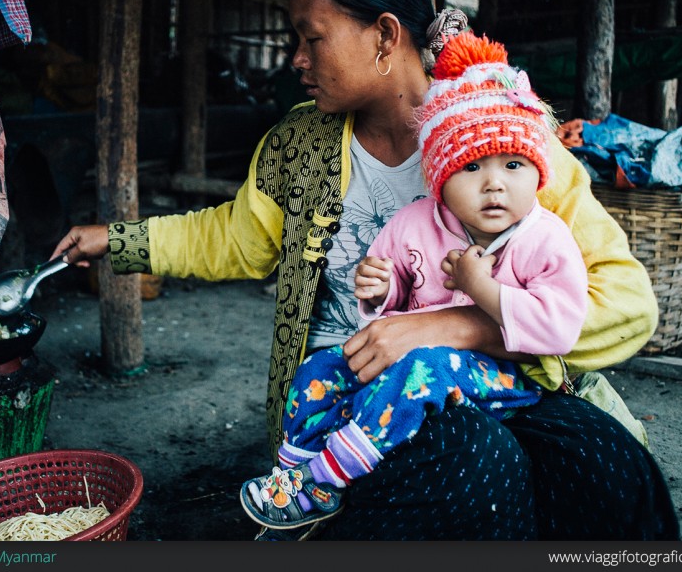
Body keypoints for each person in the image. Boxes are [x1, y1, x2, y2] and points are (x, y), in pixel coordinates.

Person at [51, 0, 679, 540]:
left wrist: (452, 325)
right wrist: (119, 240)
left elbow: (626, 306)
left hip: (504, 384)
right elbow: (234, 238)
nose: (296, 58)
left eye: (311, 37)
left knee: (609, 464)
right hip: (356, 390)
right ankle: (312, 490)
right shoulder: (299, 144)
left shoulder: (508, 142)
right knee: (476, 462)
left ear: (383, 36)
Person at [237, 30, 588, 531]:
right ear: (441, 176)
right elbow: (396, 301)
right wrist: (382, 290)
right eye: (472, 165)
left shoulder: (545, 239)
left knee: (421, 367)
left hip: (504, 378)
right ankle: (292, 478)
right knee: (319, 369)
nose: (495, 183)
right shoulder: (415, 222)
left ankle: (327, 479)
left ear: (537, 173)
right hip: (414, 364)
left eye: (514, 165)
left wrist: (481, 286)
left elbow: (560, 328)